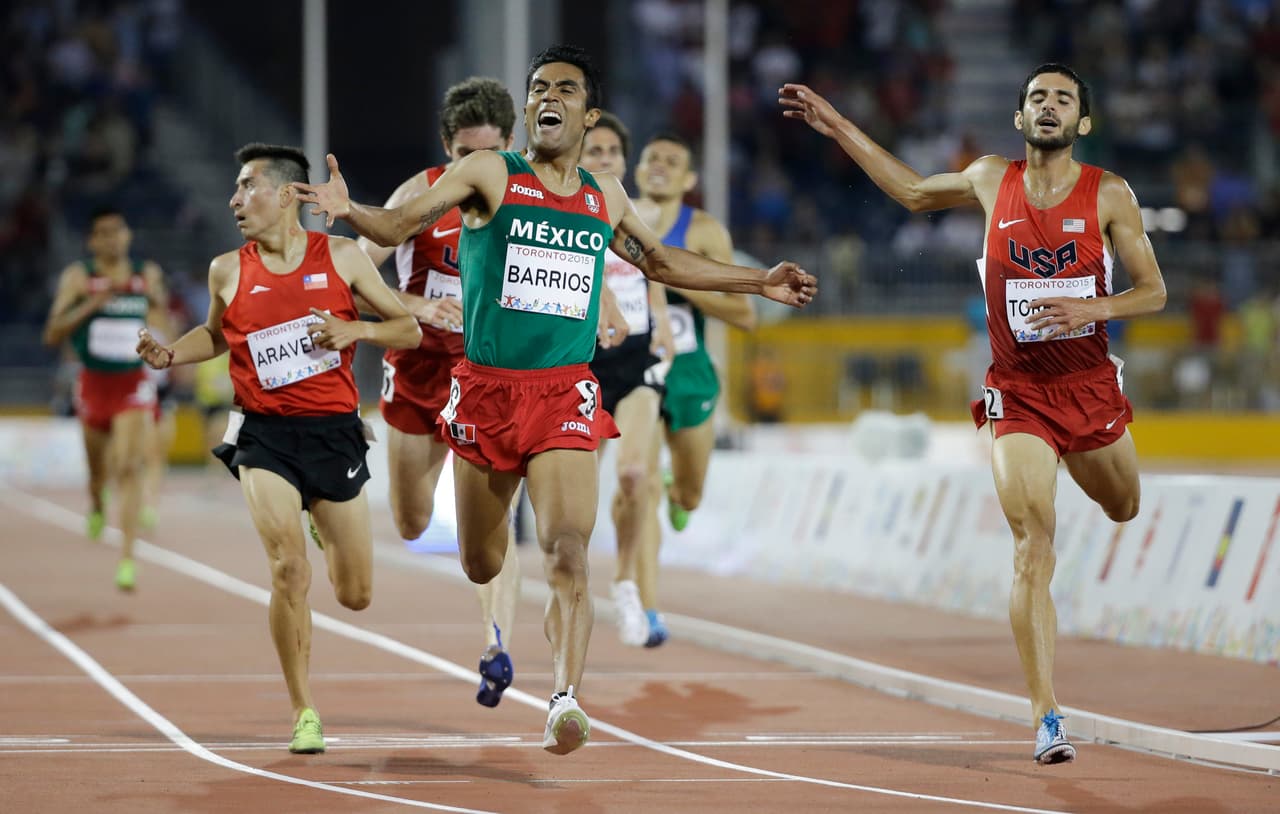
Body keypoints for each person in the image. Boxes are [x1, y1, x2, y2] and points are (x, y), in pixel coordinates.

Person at [294, 44, 816, 755]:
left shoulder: (606, 196)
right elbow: (397, 227)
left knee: (568, 550)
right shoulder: (489, 173)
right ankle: (509, 606)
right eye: (539, 85)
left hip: (565, 392)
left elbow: (660, 261)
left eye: (564, 88)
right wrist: (347, 208)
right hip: (483, 391)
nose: (548, 95)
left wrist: (757, 282)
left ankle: (565, 698)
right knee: (481, 560)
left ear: (586, 112)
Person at [780, 63, 1167, 765]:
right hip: (1017, 393)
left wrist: (1092, 307)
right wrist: (836, 124)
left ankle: (1088, 475)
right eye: (1036, 98)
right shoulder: (992, 178)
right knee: (1032, 541)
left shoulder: (1109, 193)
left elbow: (1155, 291)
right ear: (1019, 118)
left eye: (1063, 100)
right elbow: (909, 190)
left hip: (1088, 388)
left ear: (1082, 123)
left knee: (1124, 507)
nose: (1047, 107)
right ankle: (1047, 714)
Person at [136, 143, 421, 754]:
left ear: (287, 194)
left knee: (356, 593)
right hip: (263, 434)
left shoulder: (342, 258)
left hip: (335, 432)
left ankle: (322, 520)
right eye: (235, 190)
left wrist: (356, 330)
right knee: (288, 570)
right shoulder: (226, 269)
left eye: (247, 187)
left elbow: (408, 327)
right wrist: (171, 354)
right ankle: (304, 710)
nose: (234, 200)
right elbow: (216, 333)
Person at [354, 76, 526, 707]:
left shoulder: (529, 198)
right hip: (418, 373)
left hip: (486, 376)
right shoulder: (418, 196)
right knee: (411, 521)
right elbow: (352, 276)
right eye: (464, 156)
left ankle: (495, 641)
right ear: (447, 151)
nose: (476, 168)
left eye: (490, 154)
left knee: (491, 527)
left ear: (511, 144)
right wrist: (420, 306)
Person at [633, 131, 758, 646]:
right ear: (637, 170)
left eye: (672, 161)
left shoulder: (703, 231)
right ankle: (647, 607)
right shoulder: (615, 218)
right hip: (636, 368)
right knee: (635, 485)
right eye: (651, 158)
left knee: (689, 492)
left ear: (689, 180)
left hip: (689, 374)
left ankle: (675, 491)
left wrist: (673, 276)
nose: (659, 166)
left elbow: (744, 313)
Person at [580, 111, 676, 647]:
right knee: (578, 500)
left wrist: (660, 317)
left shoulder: (632, 214)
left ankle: (624, 583)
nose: (603, 160)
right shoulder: (564, 215)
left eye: (612, 152)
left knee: (637, 475)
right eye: (593, 151)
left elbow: (654, 268)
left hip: (635, 360)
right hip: (582, 366)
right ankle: (571, 587)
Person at [42, 205, 170, 592]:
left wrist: (164, 334)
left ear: (127, 235)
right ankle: (97, 504)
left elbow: (163, 318)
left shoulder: (146, 274)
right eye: (104, 232)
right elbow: (52, 333)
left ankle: (128, 558)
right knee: (99, 473)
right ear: (92, 240)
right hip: (94, 387)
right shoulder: (80, 277)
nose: (113, 238)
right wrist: (91, 305)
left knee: (129, 467)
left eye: (119, 230)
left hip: (132, 384)